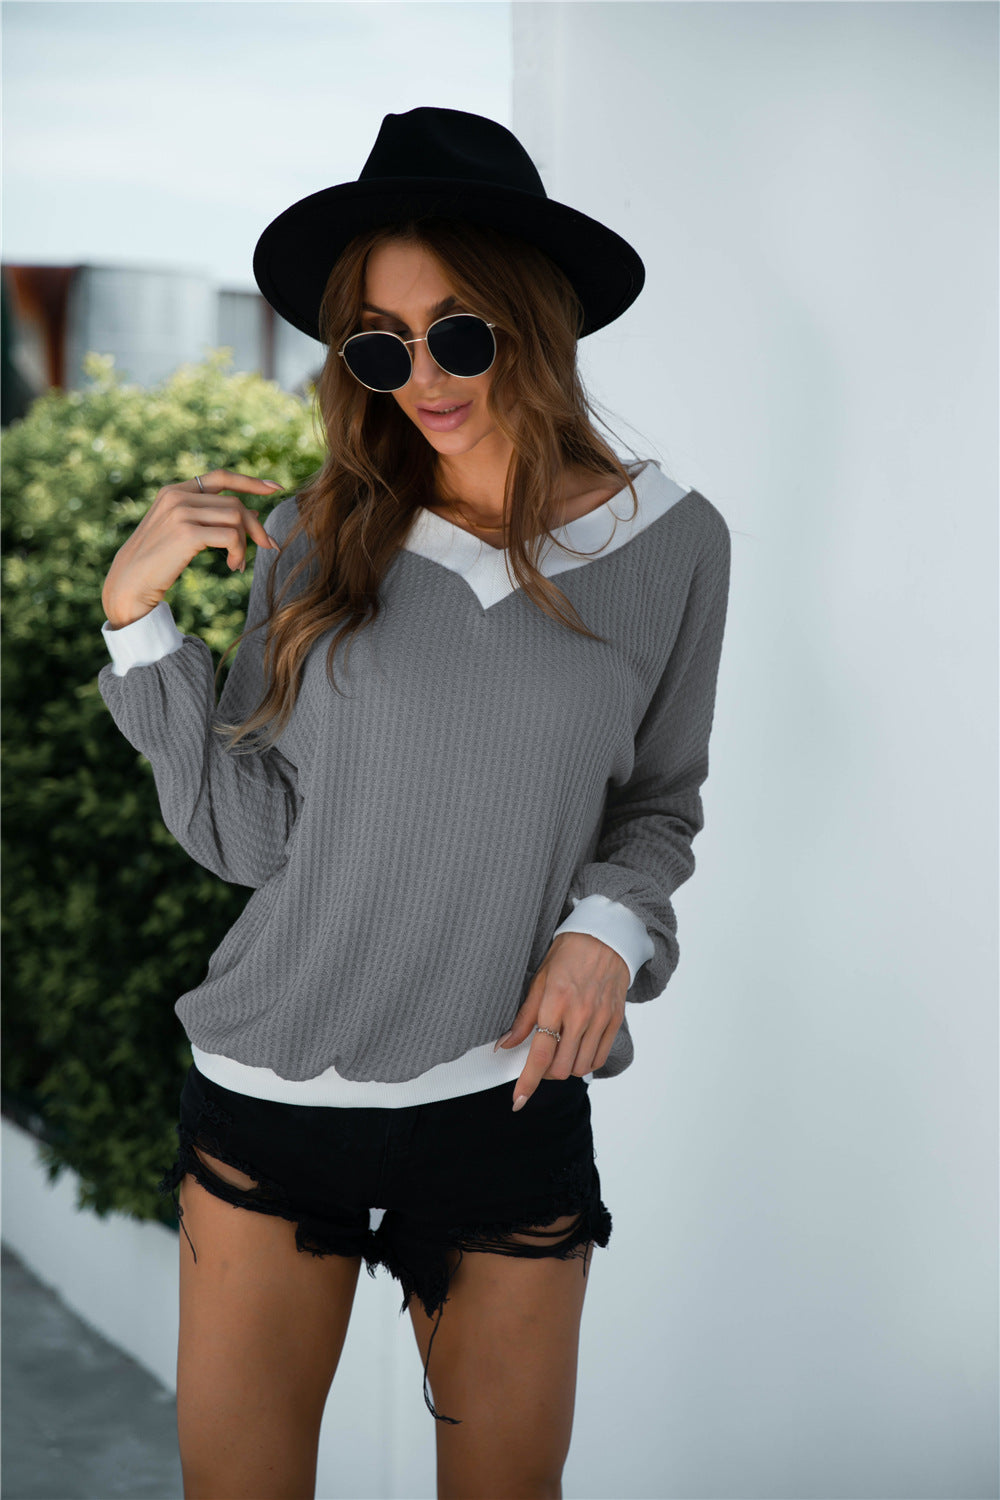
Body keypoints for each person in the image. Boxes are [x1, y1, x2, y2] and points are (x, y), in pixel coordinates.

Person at [97, 106, 732, 1500]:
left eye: (458, 333)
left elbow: (660, 801)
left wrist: (608, 932)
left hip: (506, 1099)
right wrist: (138, 631)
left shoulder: (674, 542)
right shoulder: (316, 535)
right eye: (379, 346)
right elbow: (249, 837)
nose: (421, 377)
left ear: (535, 320)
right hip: (271, 1095)